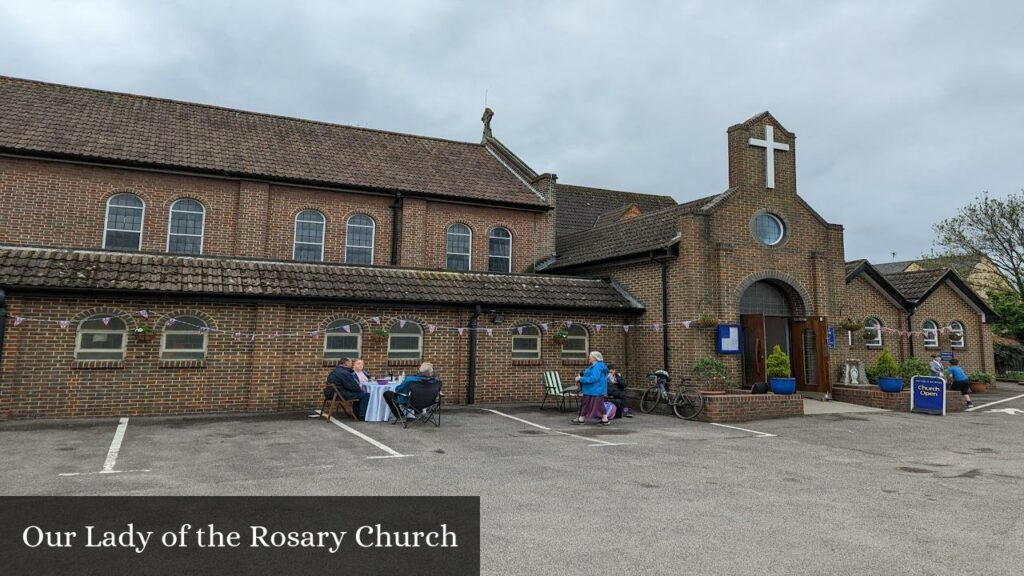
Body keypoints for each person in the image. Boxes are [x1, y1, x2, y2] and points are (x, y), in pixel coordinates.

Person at [572, 351, 610, 425]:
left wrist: (581, 379)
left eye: (590, 356)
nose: (589, 357)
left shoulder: (597, 366)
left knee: (589, 404)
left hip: (594, 389)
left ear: (595, 358)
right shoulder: (598, 365)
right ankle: (604, 419)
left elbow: (594, 378)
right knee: (596, 404)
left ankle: (582, 418)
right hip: (595, 389)